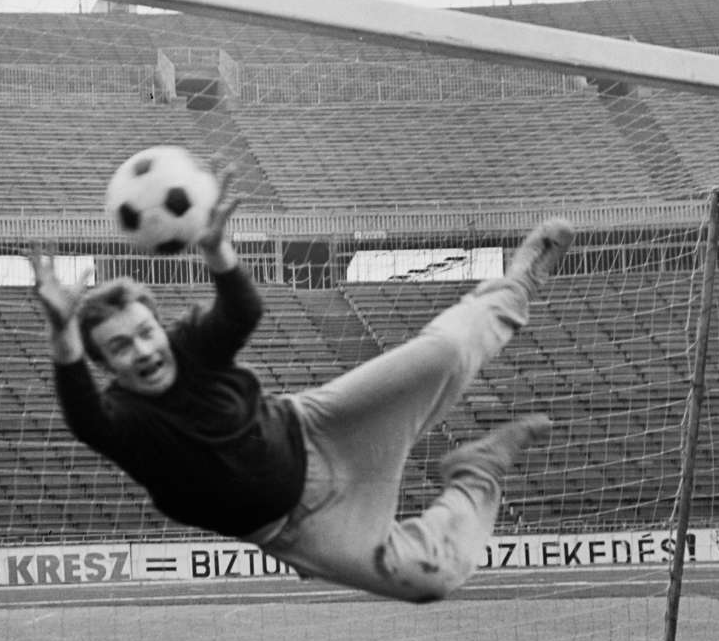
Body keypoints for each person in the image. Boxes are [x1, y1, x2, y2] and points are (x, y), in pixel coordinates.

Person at [28, 190, 572, 604]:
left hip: (318, 427)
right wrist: (62, 330)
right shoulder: (124, 418)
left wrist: (218, 250)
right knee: (431, 577)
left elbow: (243, 313)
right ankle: (478, 470)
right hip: (305, 528)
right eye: (120, 347)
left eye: (145, 332)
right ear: (105, 366)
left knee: (446, 350)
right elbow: (85, 419)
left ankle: (519, 282)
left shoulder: (190, 346)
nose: (143, 349)